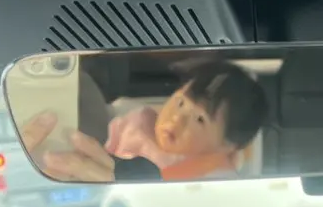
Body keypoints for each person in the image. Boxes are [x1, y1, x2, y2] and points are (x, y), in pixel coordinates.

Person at [104, 60, 268, 180]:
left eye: (199, 119)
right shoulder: (137, 120)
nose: (177, 118)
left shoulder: (214, 180)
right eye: (180, 102)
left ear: (226, 146)